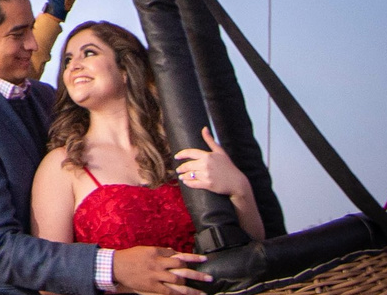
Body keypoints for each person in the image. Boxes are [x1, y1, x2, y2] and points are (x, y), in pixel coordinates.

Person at [0, 0, 206, 295]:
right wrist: (113, 266)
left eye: (31, 29)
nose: (31, 43)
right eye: (18, 34)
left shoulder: (44, 97)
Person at [31, 20, 266, 261]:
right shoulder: (64, 165)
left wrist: (239, 189)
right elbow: (51, 276)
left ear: (125, 68)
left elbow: (253, 250)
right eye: (68, 60)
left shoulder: (179, 149)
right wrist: (121, 277)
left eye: (88, 53)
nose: (74, 66)